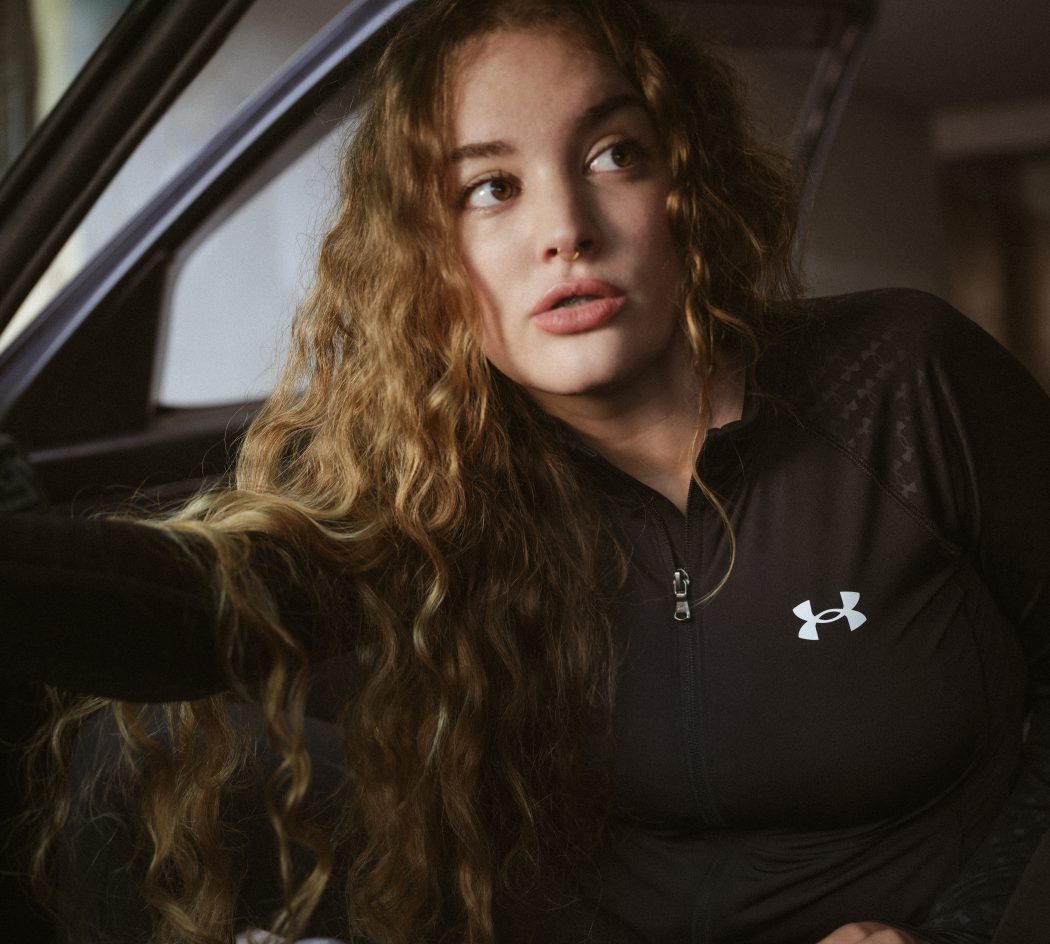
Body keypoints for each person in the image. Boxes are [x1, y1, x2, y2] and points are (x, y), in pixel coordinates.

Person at [2, 0, 1048, 942]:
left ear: (688, 185)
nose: (565, 232)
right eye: (490, 188)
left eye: (613, 154)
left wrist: (965, 930)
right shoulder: (439, 488)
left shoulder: (904, 384)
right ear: (427, 257)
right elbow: (204, 608)